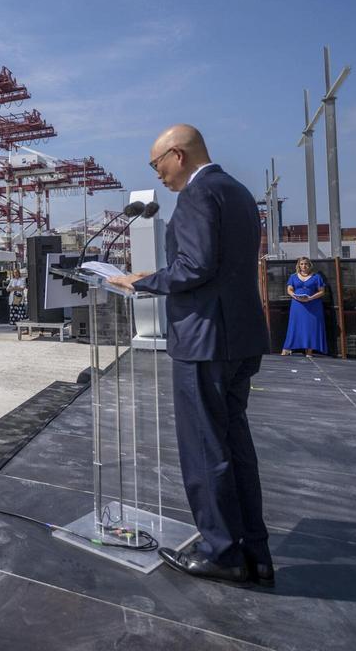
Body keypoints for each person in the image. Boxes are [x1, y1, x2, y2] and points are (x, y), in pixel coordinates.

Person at [109, 124, 272, 588]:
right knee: (235, 445)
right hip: (240, 338)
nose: (157, 173)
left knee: (205, 449)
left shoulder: (198, 196)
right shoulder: (237, 192)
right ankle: (253, 552)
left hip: (205, 341)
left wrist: (142, 281)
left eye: (156, 163)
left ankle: (220, 550)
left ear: (177, 155)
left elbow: (196, 267)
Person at [282, 257, 327, 358]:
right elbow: (289, 289)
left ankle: (309, 351)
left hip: (313, 305)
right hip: (297, 305)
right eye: (302, 264)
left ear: (310, 265)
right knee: (295, 326)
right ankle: (288, 348)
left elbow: (322, 291)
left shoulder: (316, 277)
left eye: (306, 264)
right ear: (298, 265)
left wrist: (310, 298)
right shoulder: (293, 277)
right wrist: (295, 296)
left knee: (311, 327)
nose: (304, 266)